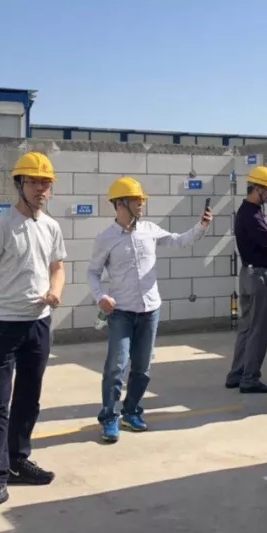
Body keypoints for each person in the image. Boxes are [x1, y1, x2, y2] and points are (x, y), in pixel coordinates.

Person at [0, 151, 66, 512]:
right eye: (34, 182)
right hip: (2, 324)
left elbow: (57, 268)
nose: (41, 189)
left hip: (38, 324)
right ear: (19, 184)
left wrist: (56, 291)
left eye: (46, 183)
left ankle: (18, 459)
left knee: (28, 398)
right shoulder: (1, 225)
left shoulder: (51, 227)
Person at [87, 177, 212, 443]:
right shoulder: (105, 238)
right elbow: (93, 272)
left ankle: (131, 411)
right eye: (136, 200)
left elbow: (179, 241)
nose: (141, 204)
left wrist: (201, 226)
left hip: (150, 311)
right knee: (116, 367)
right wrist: (100, 297)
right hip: (120, 312)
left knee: (142, 368)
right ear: (120, 204)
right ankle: (109, 418)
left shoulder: (150, 230)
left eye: (142, 200)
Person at [225, 165, 267, 394]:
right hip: (260, 276)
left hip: (248, 274)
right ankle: (250, 378)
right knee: (259, 329)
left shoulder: (247, 211)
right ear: (258, 189)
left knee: (247, 327)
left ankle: (236, 374)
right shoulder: (252, 215)